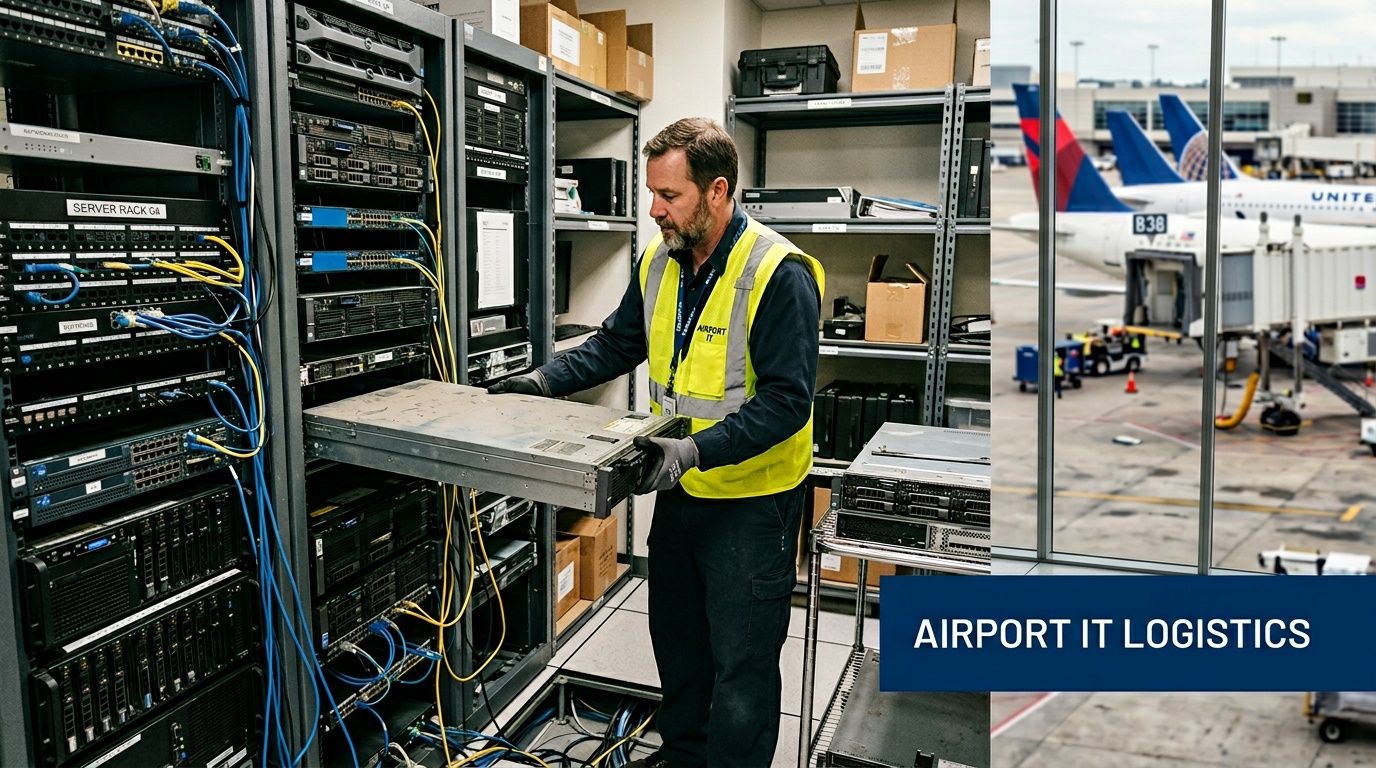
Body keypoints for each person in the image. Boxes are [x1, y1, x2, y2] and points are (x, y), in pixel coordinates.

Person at [489, 117, 824, 766]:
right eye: (652, 194)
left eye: (669, 196)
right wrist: (538, 383)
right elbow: (617, 345)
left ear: (718, 190)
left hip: (754, 505)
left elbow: (787, 403)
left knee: (742, 671)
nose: (654, 209)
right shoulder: (659, 262)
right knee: (679, 648)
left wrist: (695, 449)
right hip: (681, 492)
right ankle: (684, 757)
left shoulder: (778, 273)